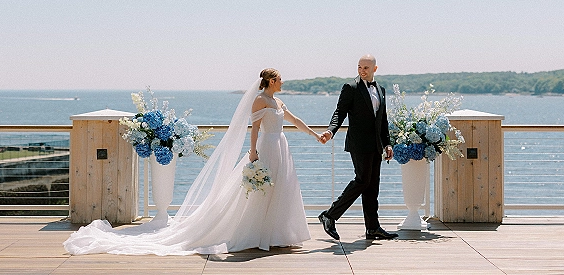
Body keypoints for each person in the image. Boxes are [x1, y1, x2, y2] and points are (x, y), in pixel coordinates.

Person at [64, 68, 320, 255]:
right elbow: (253, 129)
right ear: (272, 81)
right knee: (260, 191)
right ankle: (259, 233)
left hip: (281, 146)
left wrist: (316, 135)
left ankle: (278, 234)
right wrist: (252, 152)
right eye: (280, 79)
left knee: (281, 189)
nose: (283, 82)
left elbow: (294, 119)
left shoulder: (279, 101)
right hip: (266, 146)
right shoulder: (260, 100)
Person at [318, 54, 398, 240]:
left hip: (376, 145)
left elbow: (382, 120)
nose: (362, 71)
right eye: (359, 67)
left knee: (372, 187)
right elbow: (340, 112)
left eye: (366, 68)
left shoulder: (380, 89)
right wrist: (331, 131)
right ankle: (329, 215)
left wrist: (387, 143)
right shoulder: (351, 87)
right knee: (362, 181)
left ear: (374, 69)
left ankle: (372, 228)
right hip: (358, 143)